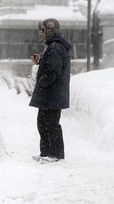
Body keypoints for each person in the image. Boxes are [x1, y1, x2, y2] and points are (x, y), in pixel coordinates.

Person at [29, 18, 72, 163]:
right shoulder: (55, 46)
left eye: (42, 31)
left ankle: (55, 155)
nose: (41, 34)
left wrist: (40, 84)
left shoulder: (54, 47)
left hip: (52, 94)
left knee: (51, 124)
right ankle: (46, 153)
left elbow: (53, 71)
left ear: (49, 31)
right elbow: (52, 64)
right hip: (52, 94)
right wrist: (41, 60)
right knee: (43, 123)